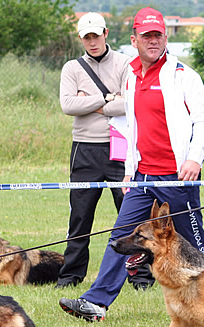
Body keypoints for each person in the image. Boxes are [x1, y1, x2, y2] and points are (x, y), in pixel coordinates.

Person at [59, 7, 204, 322]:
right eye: (147, 36)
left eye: (158, 35)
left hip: (177, 176)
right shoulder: (131, 76)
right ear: (135, 40)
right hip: (143, 175)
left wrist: (194, 159)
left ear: (165, 37)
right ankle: (96, 303)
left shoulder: (184, 76)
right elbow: (131, 126)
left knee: (191, 239)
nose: (153, 41)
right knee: (122, 236)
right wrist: (131, 170)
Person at [57, 12, 153, 290]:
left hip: (120, 145)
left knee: (131, 215)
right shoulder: (72, 68)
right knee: (80, 216)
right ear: (81, 39)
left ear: (106, 33)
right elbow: (67, 105)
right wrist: (107, 98)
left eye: (96, 36)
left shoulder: (126, 63)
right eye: (87, 37)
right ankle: (71, 275)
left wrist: (90, 102)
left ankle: (140, 276)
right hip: (84, 148)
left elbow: (130, 103)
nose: (92, 42)